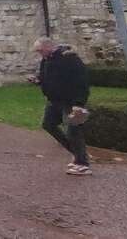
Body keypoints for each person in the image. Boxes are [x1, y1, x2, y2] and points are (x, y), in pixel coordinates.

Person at [29, 37, 91, 176]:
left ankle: (83, 164)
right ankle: (77, 154)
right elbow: (47, 77)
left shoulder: (69, 58)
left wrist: (79, 103)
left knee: (73, 131)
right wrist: (38, 80)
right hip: (54, 100)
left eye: (40, 50)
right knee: (48, 124)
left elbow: (82, 81)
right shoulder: (46, 60)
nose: (39, 54)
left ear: (48, 47)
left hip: (71, 101)